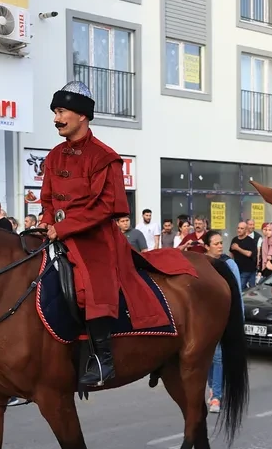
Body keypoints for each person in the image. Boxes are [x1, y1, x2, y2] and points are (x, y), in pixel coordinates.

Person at [40, 81, 174, 388]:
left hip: (95, 238)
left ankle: (103, 360)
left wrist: (63, 227)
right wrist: (47, 223)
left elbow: (106, 207)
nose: (56, 118)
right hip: (56, 232)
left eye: (61, 111)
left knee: (90, 286)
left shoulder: (105, 157)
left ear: (82, 116)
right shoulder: (54, 155)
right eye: (55, 112)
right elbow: (47, 198)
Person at [204, 230, 242, 413]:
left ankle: (216, 396)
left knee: (217, 355)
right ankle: (213, 388)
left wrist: (239, 317)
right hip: (203, 317)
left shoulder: (229, 264)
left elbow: (237, 292)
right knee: (207, 357)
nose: (220, 246)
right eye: (216, 243)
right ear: (207, 246)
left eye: (221, 243)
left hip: (223, 315)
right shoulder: (202, 263)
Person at [229, 221, 258, 289]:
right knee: (241, 288)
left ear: (246, 230)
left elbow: (249, 254)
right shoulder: (234, 240)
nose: (239, 230)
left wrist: (238, 248)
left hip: (249, 270)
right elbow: (231, 254)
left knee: (246, 288)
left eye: (242, 228)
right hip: (238, 269)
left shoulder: (250, 241)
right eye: (238, 228)